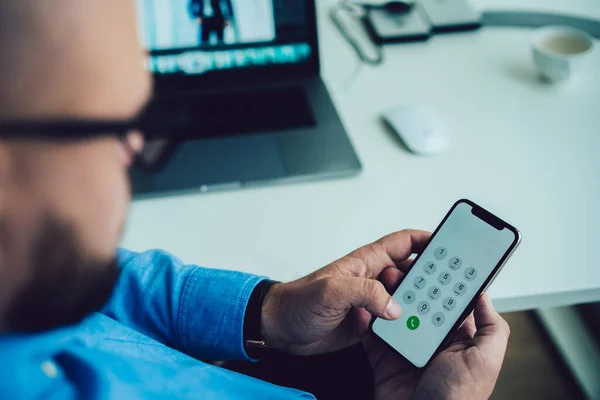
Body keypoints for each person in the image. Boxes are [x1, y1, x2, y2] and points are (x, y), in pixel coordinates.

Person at [0, 1, 511, 399]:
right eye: (119, 128)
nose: (134, 154)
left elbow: (113, 285)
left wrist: (267, 310)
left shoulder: (30, 272)